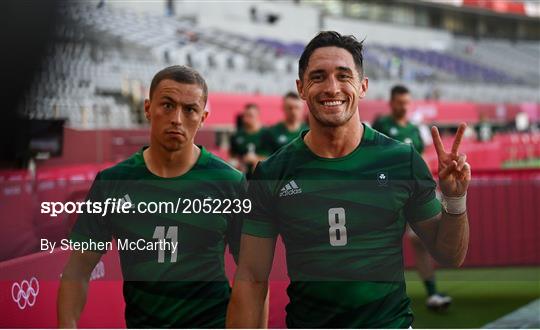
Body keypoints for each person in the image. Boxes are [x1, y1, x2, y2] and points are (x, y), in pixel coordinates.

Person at [227, 31, 470, 328]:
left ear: (363, 86)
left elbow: (449, 254)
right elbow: (251, 276)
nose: (332, 88)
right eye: (318, 77)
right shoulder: (273, 173)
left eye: (344, 76)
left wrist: (455, 199)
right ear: (301, 88)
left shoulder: (401, 161)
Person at [58, 66, 248, 328]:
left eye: (190, 109)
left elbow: (252, 276)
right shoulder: (112, 183)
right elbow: (77, 270)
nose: (177, 119)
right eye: (167, 105)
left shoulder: (230, 183)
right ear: (148, 108)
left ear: (203, 117)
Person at [372, 85, 452, 311]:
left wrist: (429, 183)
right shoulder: (382, 125)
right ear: (391, 103)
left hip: (415, 193)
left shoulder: (415, 130)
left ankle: (432, 294)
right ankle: (379, 298)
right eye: (399, 102)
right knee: (382, 245)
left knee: (421, 242)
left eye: (407, 102)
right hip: (388, 194)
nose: (404, 106)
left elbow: (422, 159)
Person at [229, 103, 269, 174]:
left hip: (263, 177)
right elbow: (232, 156)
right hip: (242, 177)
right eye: (245, 115)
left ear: (258, 116)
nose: (246, 119)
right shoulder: (237, 135)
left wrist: (256, 160)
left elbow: (273, 156)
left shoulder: (267, 134)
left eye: (250, 116)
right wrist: (237, 164)